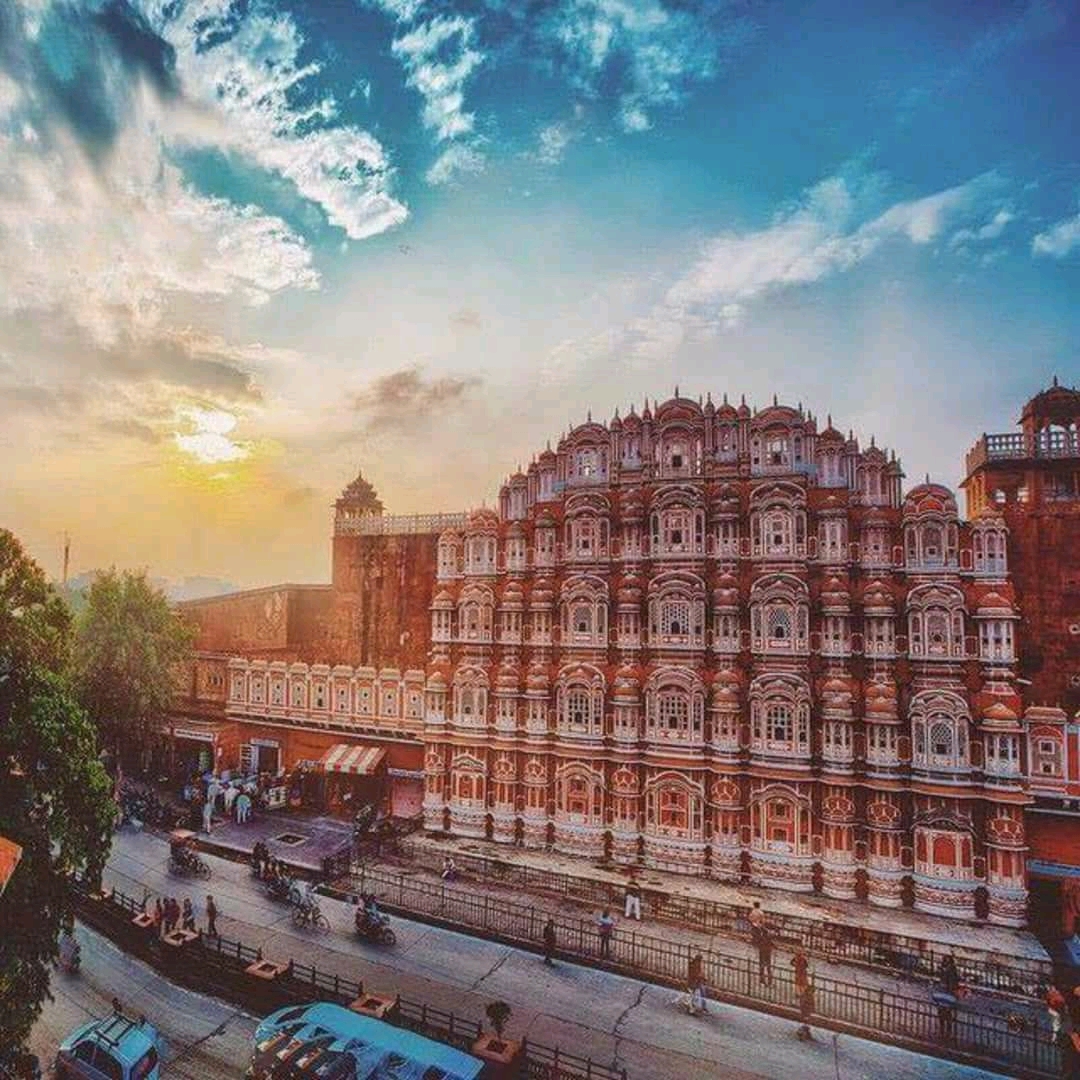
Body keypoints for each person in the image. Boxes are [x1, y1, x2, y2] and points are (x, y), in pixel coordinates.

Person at [792, 949, 812, 1038]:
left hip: (799, 975)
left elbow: (791, 963)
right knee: (801, 985)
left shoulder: (797, 959)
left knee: (799, 985)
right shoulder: (802, 960)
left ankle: (799, 994)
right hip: (801, 975)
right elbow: (806, 966)